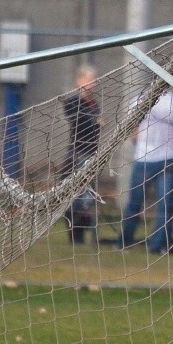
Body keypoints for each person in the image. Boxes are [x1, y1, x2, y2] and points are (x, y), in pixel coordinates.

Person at [117, 90, 173, 254]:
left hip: (147, 158)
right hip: (164, 158)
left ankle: (125, 242)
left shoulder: (139, 99)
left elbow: (133, 129)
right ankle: (157, 246)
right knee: (163, 206)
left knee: (136, 203)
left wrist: (140, 143)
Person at [63, 64, 102, 245]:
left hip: (91, 152)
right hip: (78, 153)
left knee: (88, 196)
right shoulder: (73, 101)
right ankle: (74, 235)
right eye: (90, 79)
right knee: (76, 196)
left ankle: (84, 234)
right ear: (80, 80)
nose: (94, 83)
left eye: (94, 79)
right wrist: (94, 121)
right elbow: (76, 118)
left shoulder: (94, 104)